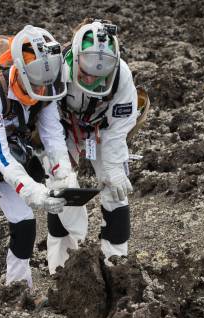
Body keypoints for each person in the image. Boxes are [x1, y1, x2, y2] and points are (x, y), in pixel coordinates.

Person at [0, 25, 75, 305]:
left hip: (8, 157)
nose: (42, 89)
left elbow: (54, 140)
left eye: (48, 82)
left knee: (25, 224)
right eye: (37, 82)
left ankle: (18, 292)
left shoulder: (46, 93)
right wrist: (31, 190)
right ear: (20, 69)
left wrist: (64, 179)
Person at [45, 19, 138, 274]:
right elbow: (46, 123)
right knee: (60, 191)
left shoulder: (121, 76)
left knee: (116, 190)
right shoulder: (54, 72)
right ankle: (62, 267)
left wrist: (113, 167)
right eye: (85, 74)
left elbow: (120, 127)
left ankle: (116, 266)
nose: (91, 79)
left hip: (102, 130)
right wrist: (60, 166)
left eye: (99, 76)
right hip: (61, 128)